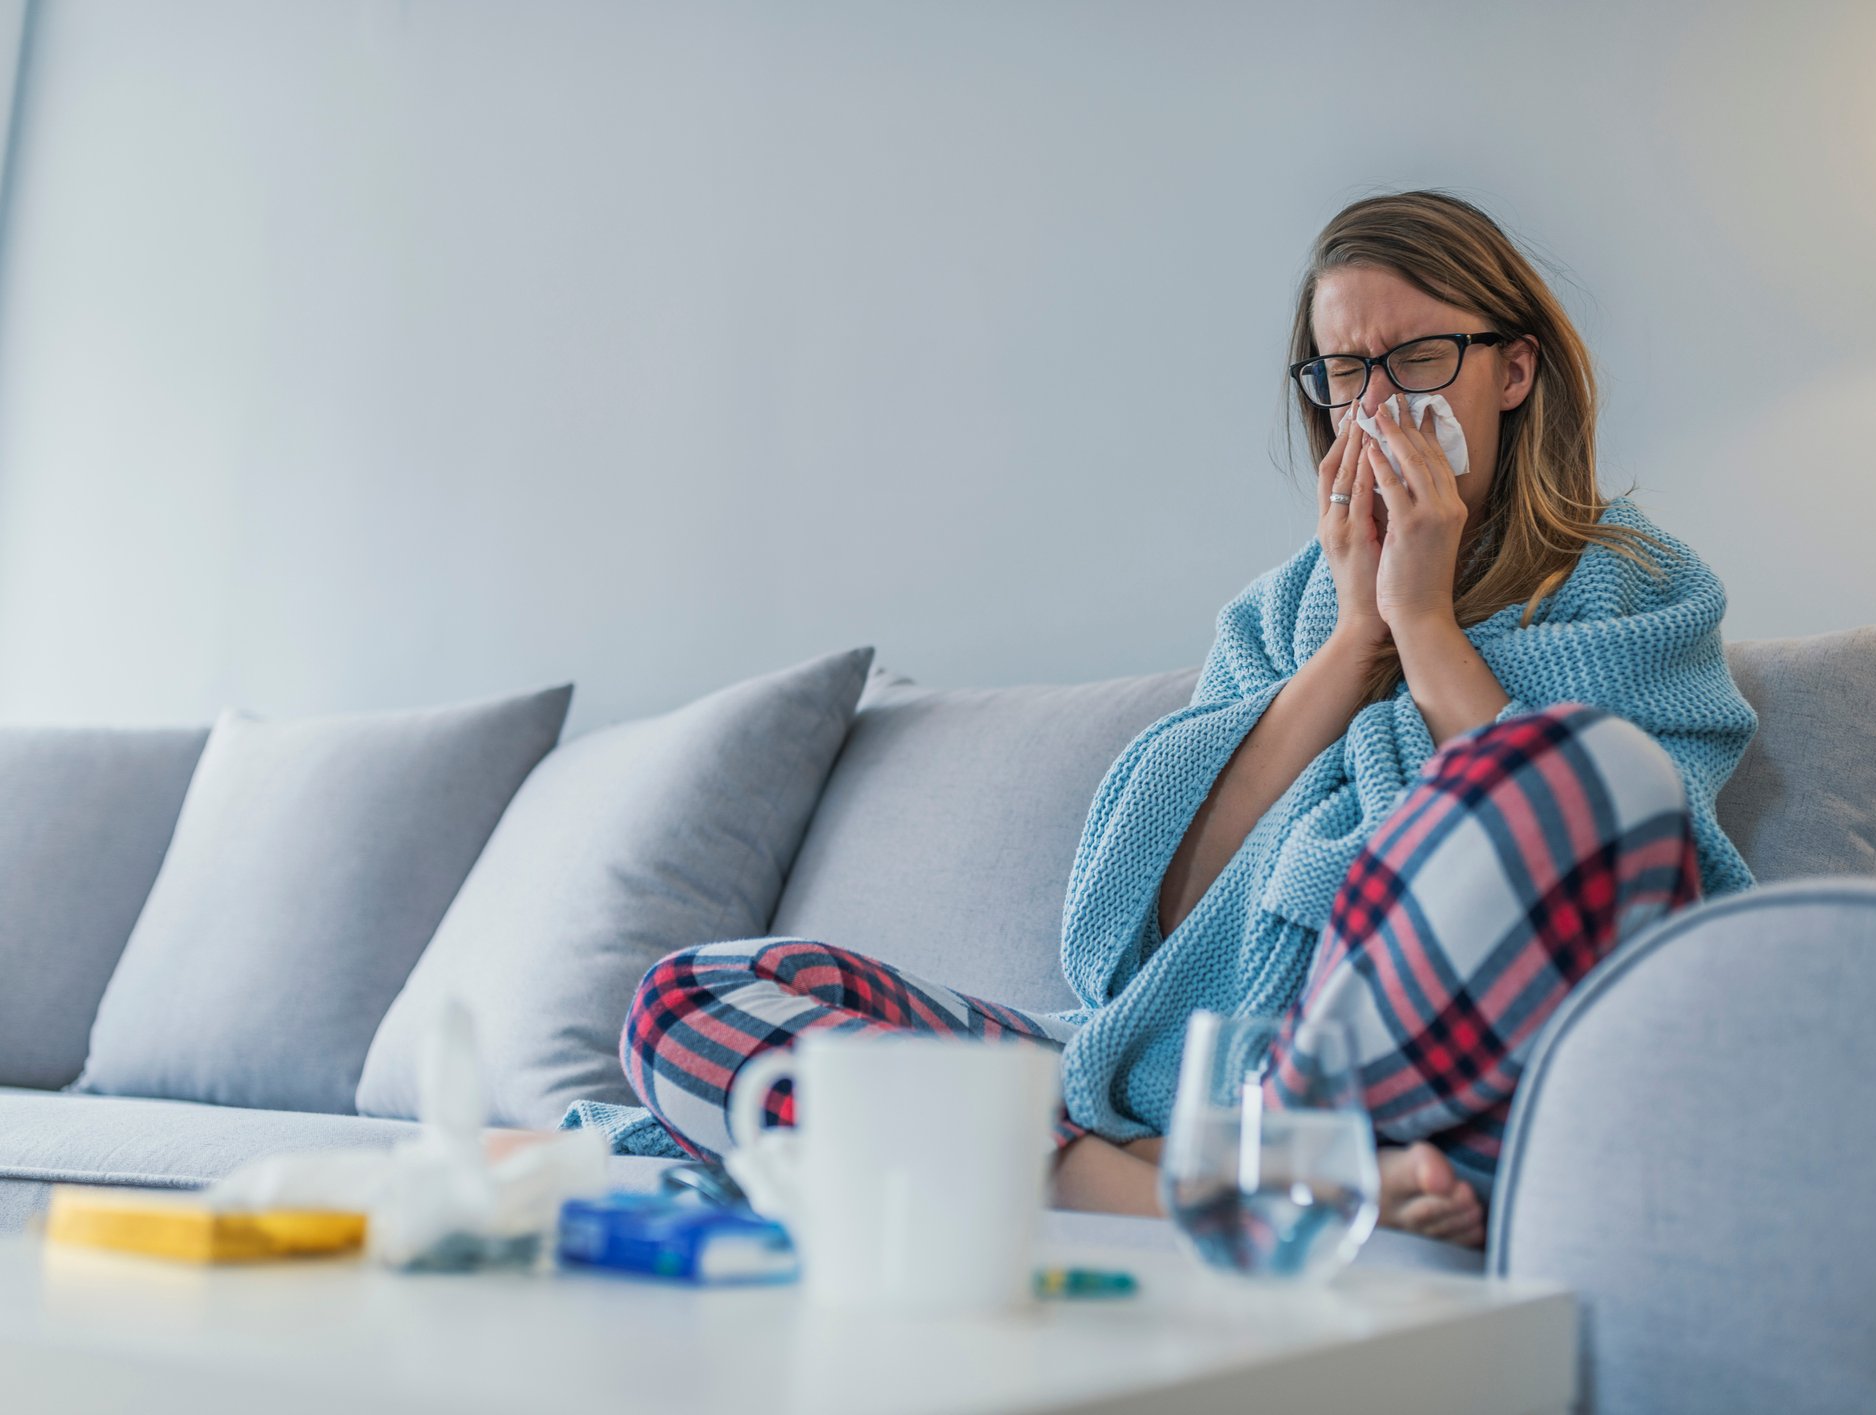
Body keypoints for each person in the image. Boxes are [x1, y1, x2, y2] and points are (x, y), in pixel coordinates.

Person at [622, 189, 1758, 1249]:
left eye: (1415, 358)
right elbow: (1146, 913)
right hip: (1166, 1074)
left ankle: (1221, 1155)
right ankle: (1171, 1185)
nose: (1377, 405)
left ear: (1514, 369)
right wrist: (1351, 638)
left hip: (1396, 1056)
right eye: (1344, 372)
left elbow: (1614, 865)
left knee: (1587, 767)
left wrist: (1423, 620)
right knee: (690, 999)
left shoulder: (1633, 590)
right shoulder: (1284, 613)